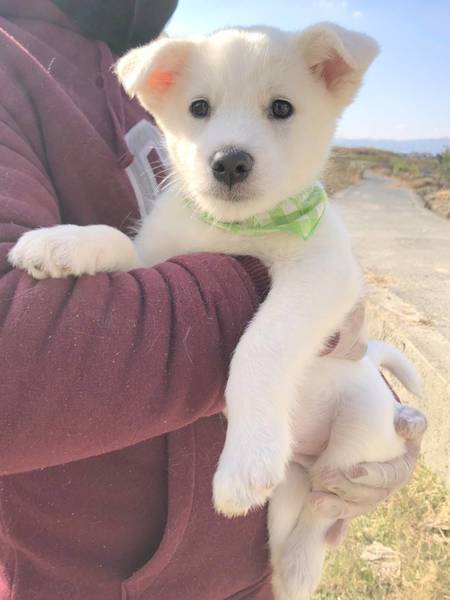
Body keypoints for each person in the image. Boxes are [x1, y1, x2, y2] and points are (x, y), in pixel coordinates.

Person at [0, 1, 426, 599]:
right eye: (201, 110)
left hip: (248, 563)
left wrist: (366, 420)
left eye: (280, 109)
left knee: (316, 498)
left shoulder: (305, 218)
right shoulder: (19, 65)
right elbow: (136, 274)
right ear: (163, 95)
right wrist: (102, 246)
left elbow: (331, 291)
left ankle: (311, 530)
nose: (230, 148)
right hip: (90, 579)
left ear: (333, 81)